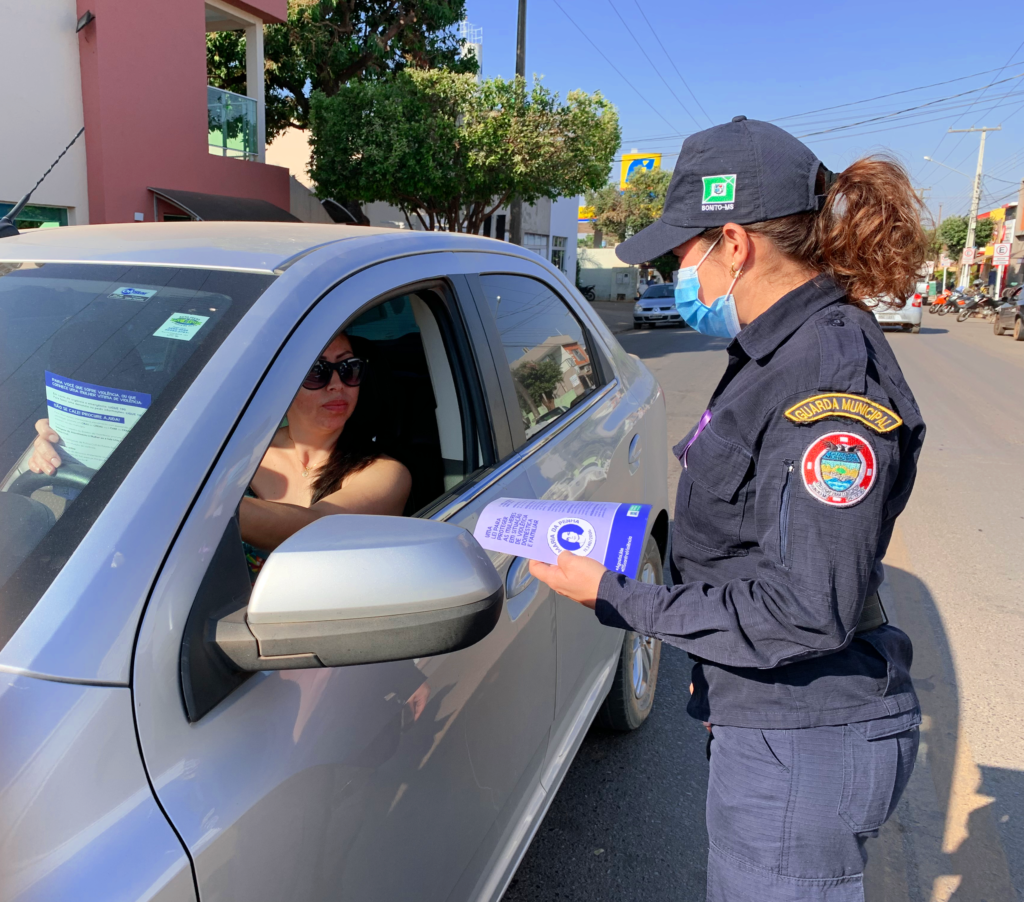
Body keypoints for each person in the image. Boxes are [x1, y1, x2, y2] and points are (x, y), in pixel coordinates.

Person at [528, 117, 926, 902]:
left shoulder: (826, 377)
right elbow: (756, 550)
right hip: (776, 718)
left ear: (733, 244)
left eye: (684, 252)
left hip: (803, 743)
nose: (683, 276)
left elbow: (809, 608)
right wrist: (719, 680)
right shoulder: (779, 351)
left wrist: (616, 596)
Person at [29, 331, 412, 579]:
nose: (336, 385)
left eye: (349, 368)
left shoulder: (385, 473)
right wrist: (72, 447)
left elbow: (311, 528)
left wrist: (175, 491)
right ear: (280, 379)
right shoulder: (232, 445)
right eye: (316, 371)